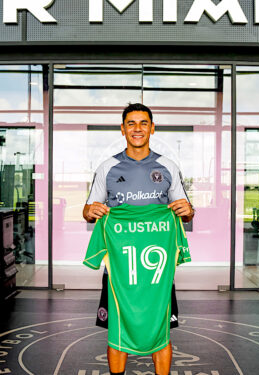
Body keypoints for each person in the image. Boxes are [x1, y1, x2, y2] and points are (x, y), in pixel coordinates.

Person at [83, 103, 194, 375]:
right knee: (117, 328)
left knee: (161, 328)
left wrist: (188, 211)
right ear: (122, 129)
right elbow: (88, 211)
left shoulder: (168, 166)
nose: (137, 129)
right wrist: (90, 211)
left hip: (157, 270)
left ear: (152, 128)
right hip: (119, 268)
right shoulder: (107, 167)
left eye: (143, 123)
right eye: (131, 123)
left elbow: (186, 211)